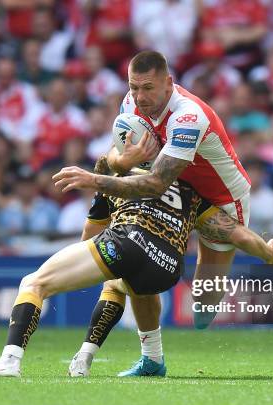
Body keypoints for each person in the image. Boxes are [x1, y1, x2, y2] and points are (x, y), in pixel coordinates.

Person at [0, 158, 273, 379]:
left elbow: (88, 237)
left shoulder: (113, 177)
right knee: (123, 283)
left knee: (34, 282)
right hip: (168, 265)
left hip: (129, 240)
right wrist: (266, 252)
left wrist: (90, 260)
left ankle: (9, 360)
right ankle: (128, 359)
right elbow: (233, 231)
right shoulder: (189, 190)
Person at [53, 51, 252, 335]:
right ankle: (150, 353)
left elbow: (155, 182)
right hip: (177, 189)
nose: (139, 96)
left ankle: (208, 298)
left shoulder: (188, 116)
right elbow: (122, 156)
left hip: (221, 200)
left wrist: (95, 179)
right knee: (138, 260)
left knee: (203, 298)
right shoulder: (130, 104)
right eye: (134, 87)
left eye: (148, 88)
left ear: (168, 83)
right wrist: (119, 163)